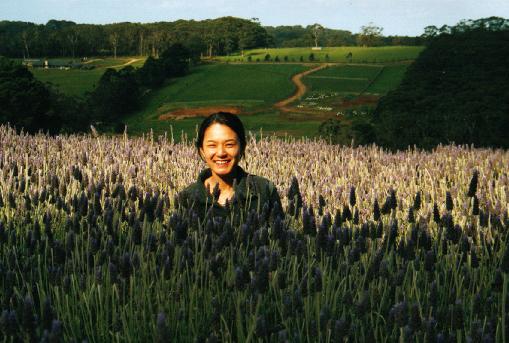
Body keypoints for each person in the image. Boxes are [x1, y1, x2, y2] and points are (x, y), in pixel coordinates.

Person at [175, 112, 283, 223]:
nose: (221, 153)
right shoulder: (188, 198)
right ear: (202, 150)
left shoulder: (263, 190)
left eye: (229, 144)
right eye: (212, 145)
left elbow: (281, 237)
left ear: (242, 147)